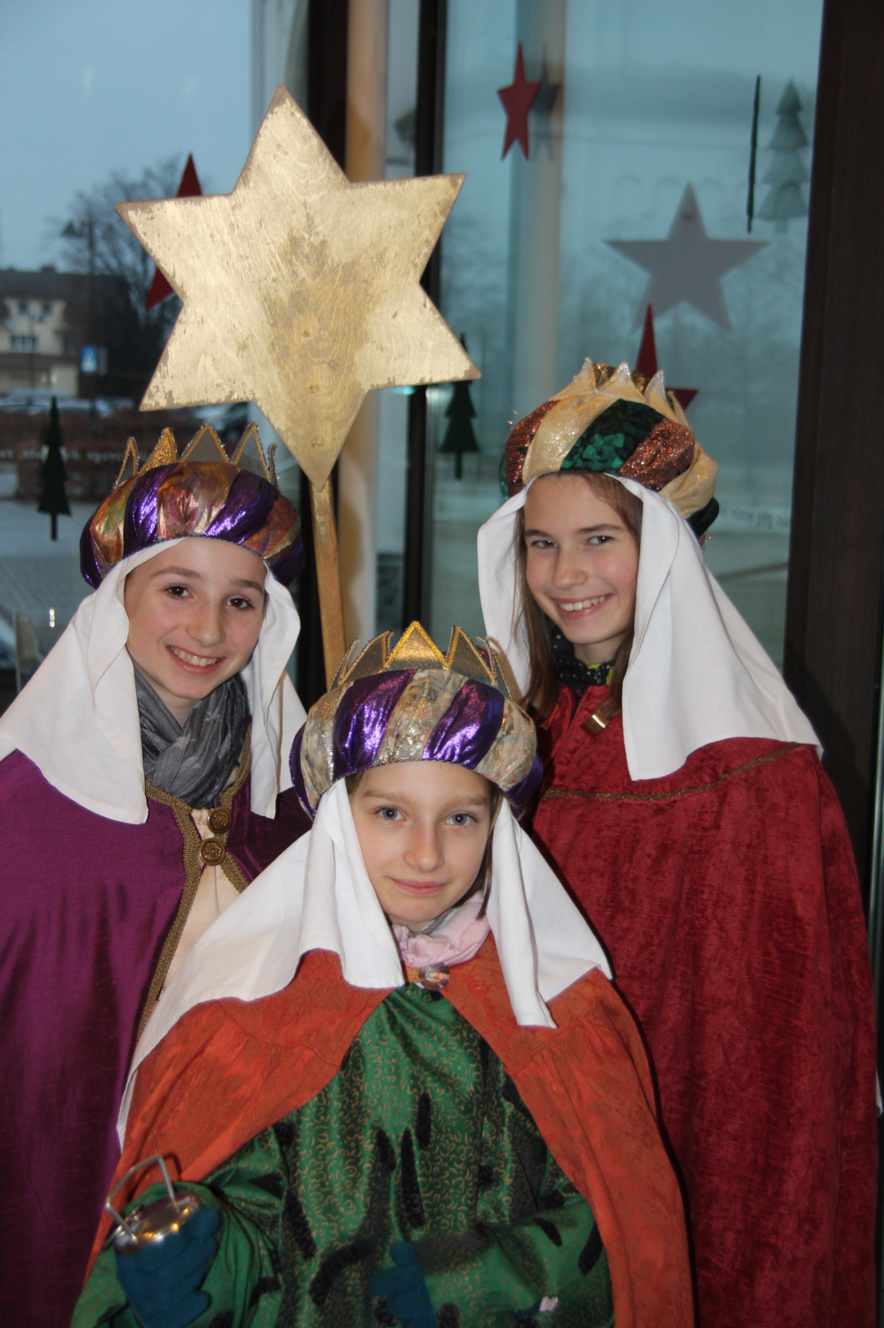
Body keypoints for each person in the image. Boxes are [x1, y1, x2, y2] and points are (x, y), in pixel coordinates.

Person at [74, 622, 693, 1327]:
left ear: (498, 825)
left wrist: (480, 1282)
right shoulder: (258, 1004)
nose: (426, 854)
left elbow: (621, 1227)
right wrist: (204, 1260)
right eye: (391, 813)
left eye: (460, 818)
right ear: (340, 817)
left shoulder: (560, 1009)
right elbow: (255, 1218)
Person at [477, 359, 878, 1327]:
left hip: (696, 1151)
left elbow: (780, 1069)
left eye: (599, 539)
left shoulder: (758, 773)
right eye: (541, 544)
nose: (565, 575)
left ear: (662, 547)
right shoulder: (508, 735)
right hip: (532, 1144)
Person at [0, 428, 311, 1325]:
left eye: (241, 600)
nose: (209, 631)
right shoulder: (24, 811)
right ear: (119, 598)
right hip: (75, 1199)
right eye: (178, 590)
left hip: (252, 1191)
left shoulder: (294, 798)